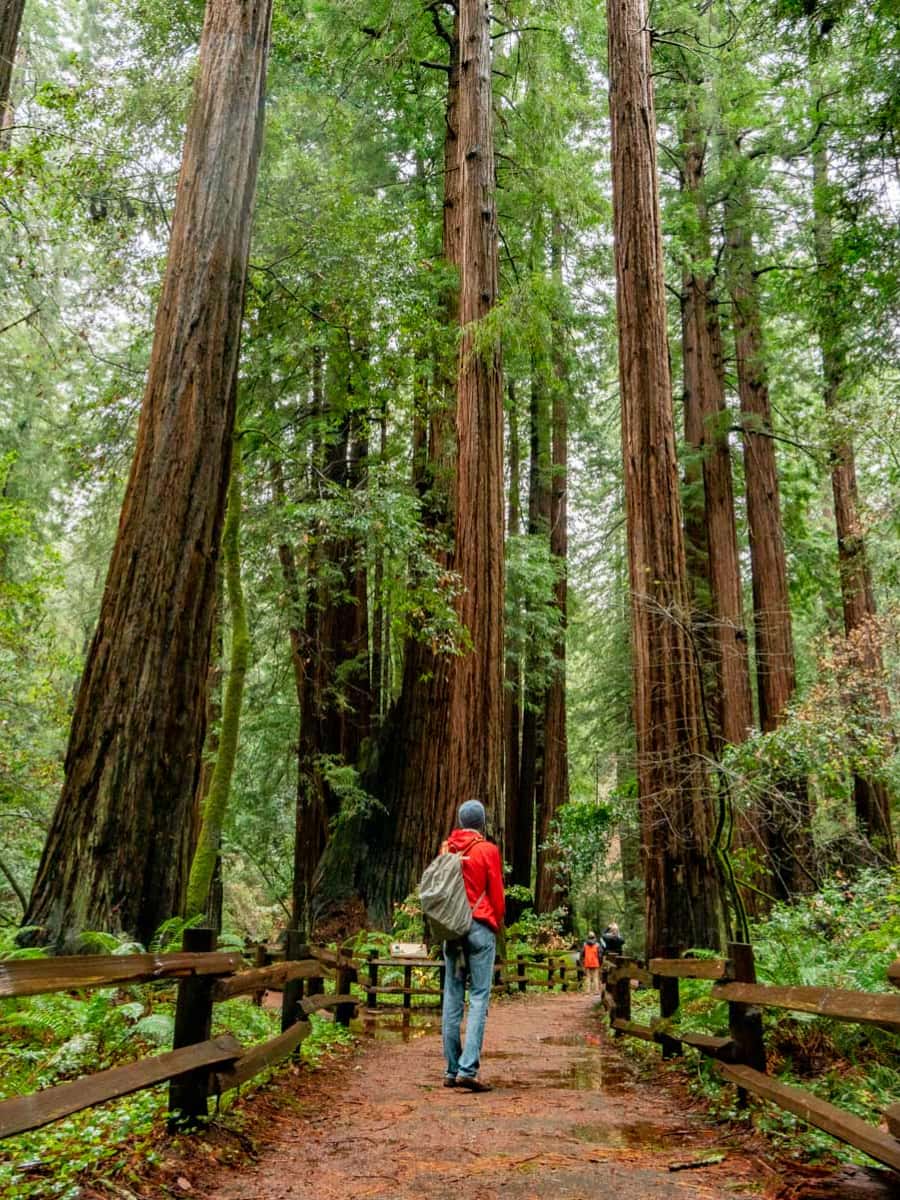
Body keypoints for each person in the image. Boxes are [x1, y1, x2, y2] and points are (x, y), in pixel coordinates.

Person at [440, 799, 505, 1093]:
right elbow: (497, 895)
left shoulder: (447, 848)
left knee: (452, 997)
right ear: (481, 823)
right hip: (479, 928)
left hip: (452, 931)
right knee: (479, 997)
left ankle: (452, 1070)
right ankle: (468, 1069)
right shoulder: (487, 850)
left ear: (460, 820)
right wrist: (495, 922)